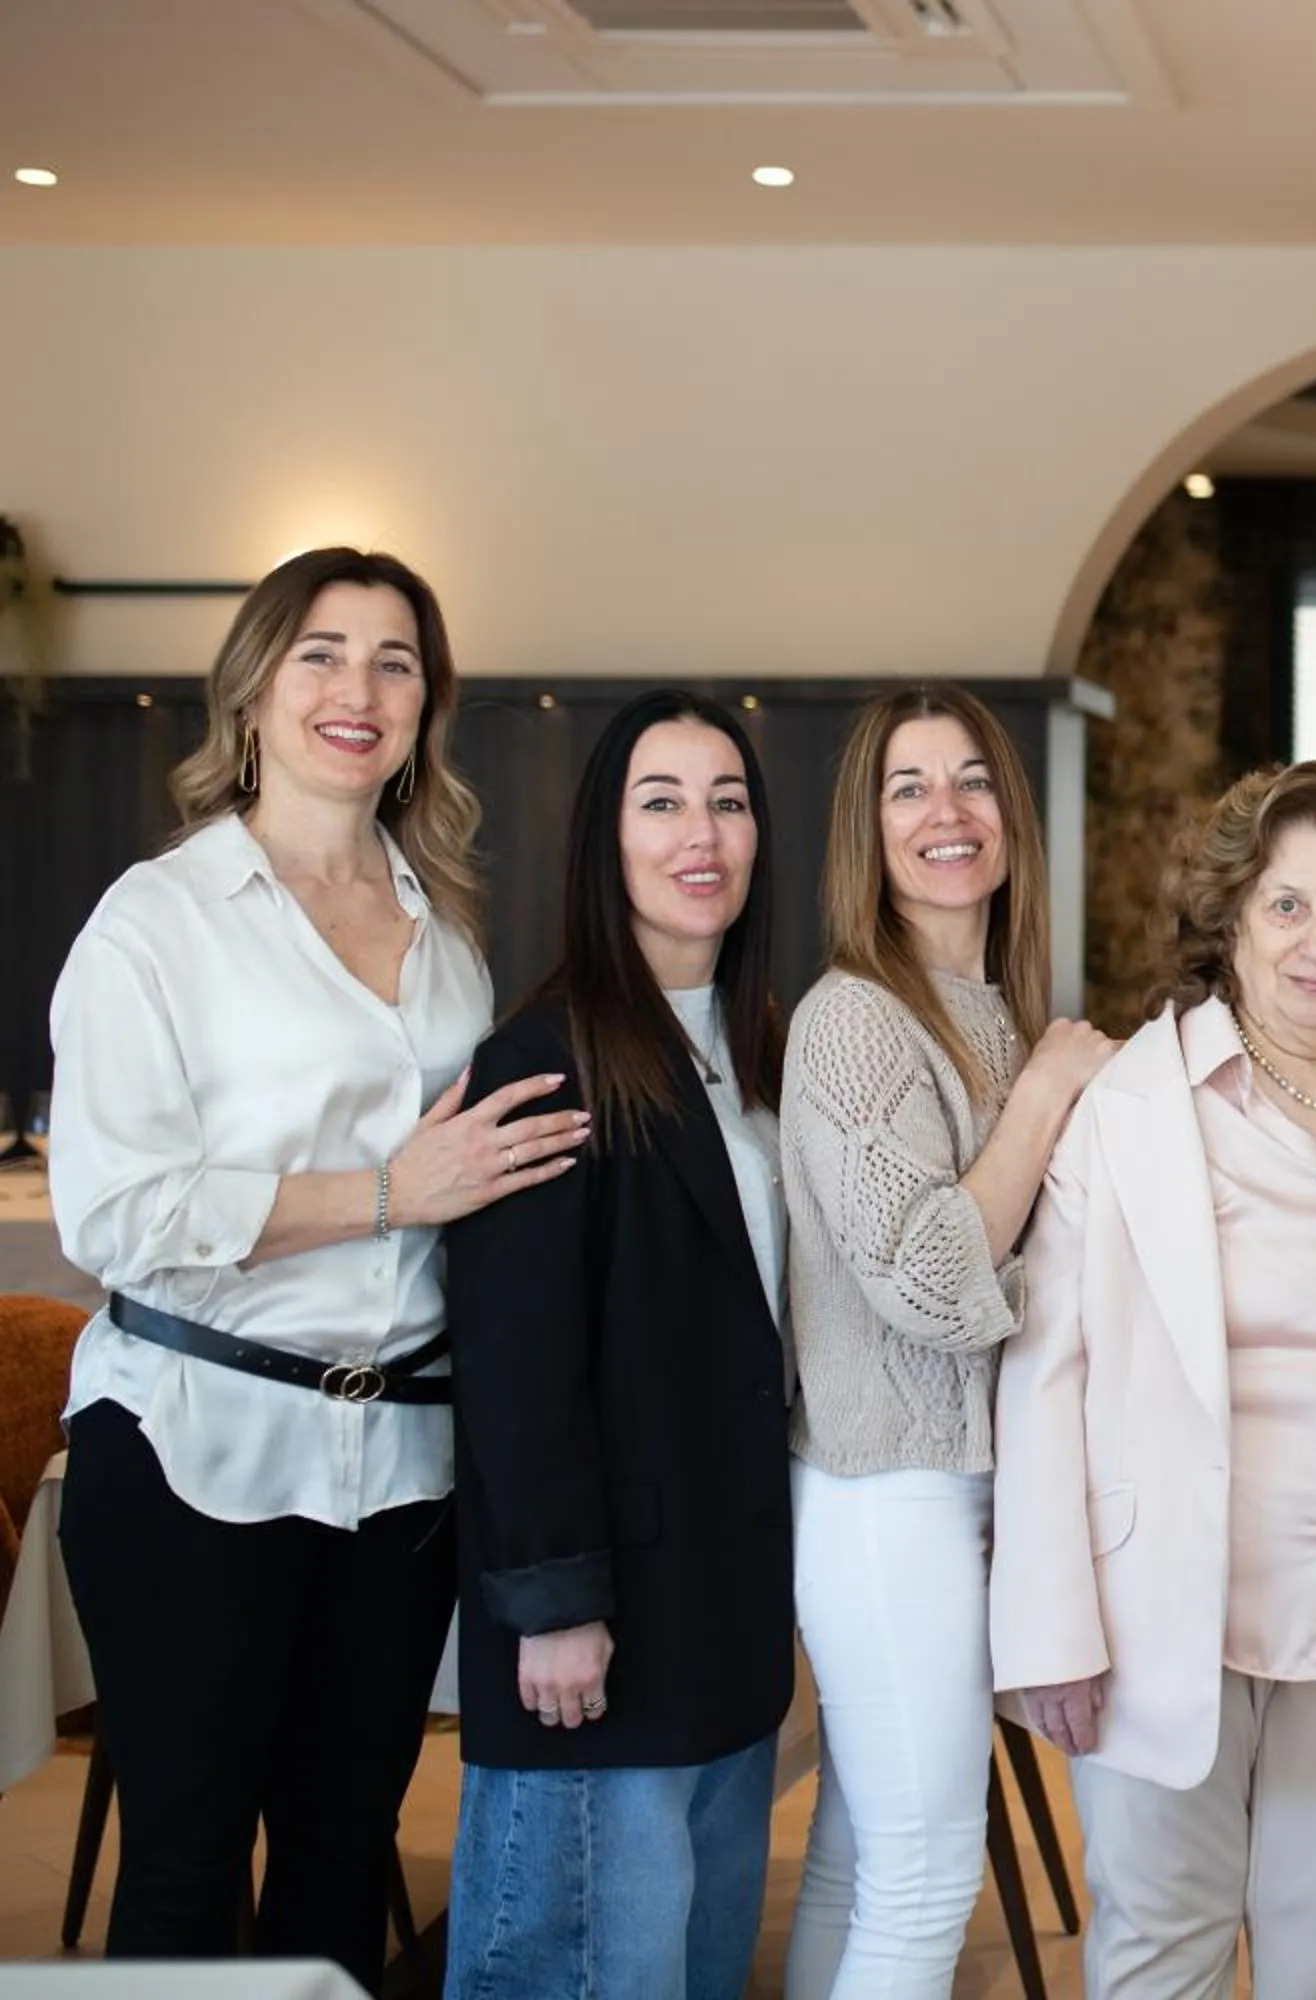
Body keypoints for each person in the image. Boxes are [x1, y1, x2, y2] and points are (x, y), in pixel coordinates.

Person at [46, 548, 589, 1986]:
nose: (361, 689)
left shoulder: (451, 937)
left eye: (396, 661)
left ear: (427, 702)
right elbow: (113, 1212)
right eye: (323, 655)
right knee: (183, 1862)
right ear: (255, 686)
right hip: (189, 1452)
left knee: (348, 1858)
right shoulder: (156, 924)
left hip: (402, 1473)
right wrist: (387, 1192)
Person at [995, 760, 1316, 1998]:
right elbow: (1046, 1370)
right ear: (1229, 917)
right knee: (1163, 1941)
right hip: (1165, 1605)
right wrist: (1051, 1625)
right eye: (1286, 904)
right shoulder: (1130, 1105)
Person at [441, 691, 795, 1996]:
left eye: (729, 799)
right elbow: (518, 1364)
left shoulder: (759, 1049)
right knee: (582, 1969)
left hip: (720, 1617)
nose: (701, 833)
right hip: (595, 1636)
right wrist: (552, 1607)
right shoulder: (541, 1061)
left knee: (689, 1972)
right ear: (606, 839)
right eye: (662, 802)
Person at [781, 685, 1114, 1999]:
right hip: (884, 1494)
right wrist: (1046, 1094)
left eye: (972, 781)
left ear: (1012, 820)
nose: (946, 812)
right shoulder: (857, 1016)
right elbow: (928, 1276)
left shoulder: (989, 1007)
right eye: (907, 787)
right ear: (866, 830)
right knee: (922, 1881)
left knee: (864, 1865)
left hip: (955, 1489)